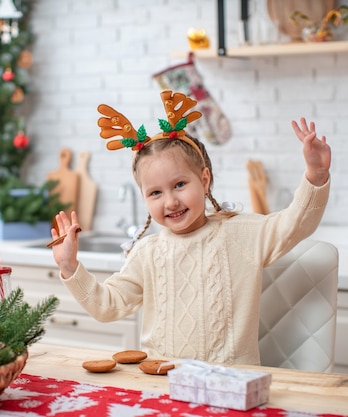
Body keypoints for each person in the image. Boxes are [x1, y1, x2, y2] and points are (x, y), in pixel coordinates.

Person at [50, 90, 331, 365]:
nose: (171, 201)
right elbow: (106, 305)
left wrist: (315, 176)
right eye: (155, 193)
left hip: (231, 386)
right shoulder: (146, 253)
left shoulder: (243, 234)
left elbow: (298, 223)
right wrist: (69, 267)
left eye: (180, 185)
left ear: (204, 179)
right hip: (163, 385)